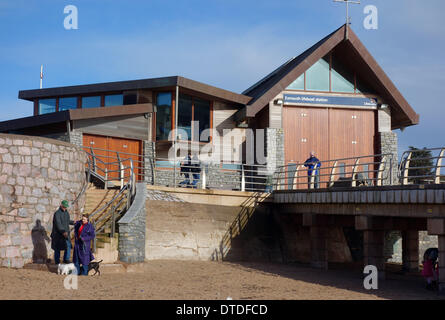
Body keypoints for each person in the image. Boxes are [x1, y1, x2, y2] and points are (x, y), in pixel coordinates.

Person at [50, 200, 74, 264]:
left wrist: (73, 222)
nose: (65, 208)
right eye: (64, 207)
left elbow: (67, 221)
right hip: (58, 234)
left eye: (66, 207)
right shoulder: (57, 214)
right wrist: (63, 232)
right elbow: (58, 224)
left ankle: (66, 259)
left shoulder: (66, 213)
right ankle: (57, 262)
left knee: (68, 246)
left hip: (66, 234)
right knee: (57, 248)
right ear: (61, 205)